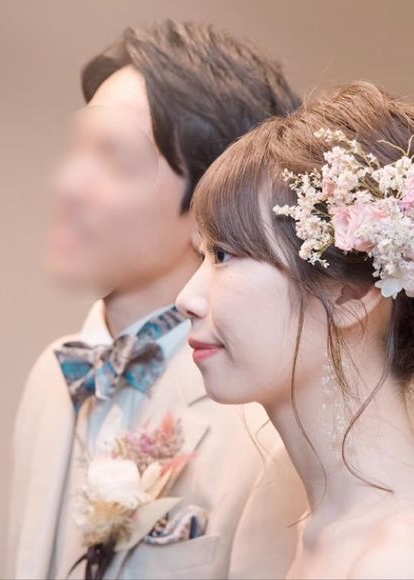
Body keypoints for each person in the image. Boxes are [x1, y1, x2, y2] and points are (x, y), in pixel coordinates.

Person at [4, 19, 306, 580]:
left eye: (115, 159)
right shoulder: (53, 377)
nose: (68, 185)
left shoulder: (266, 433)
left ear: (213, 207)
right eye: (77, 149)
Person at [176, 80, 414, 579]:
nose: (186, 300)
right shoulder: (279, 518)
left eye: (224, 255)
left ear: (349, 295)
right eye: (203, 255)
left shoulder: (394, 559)